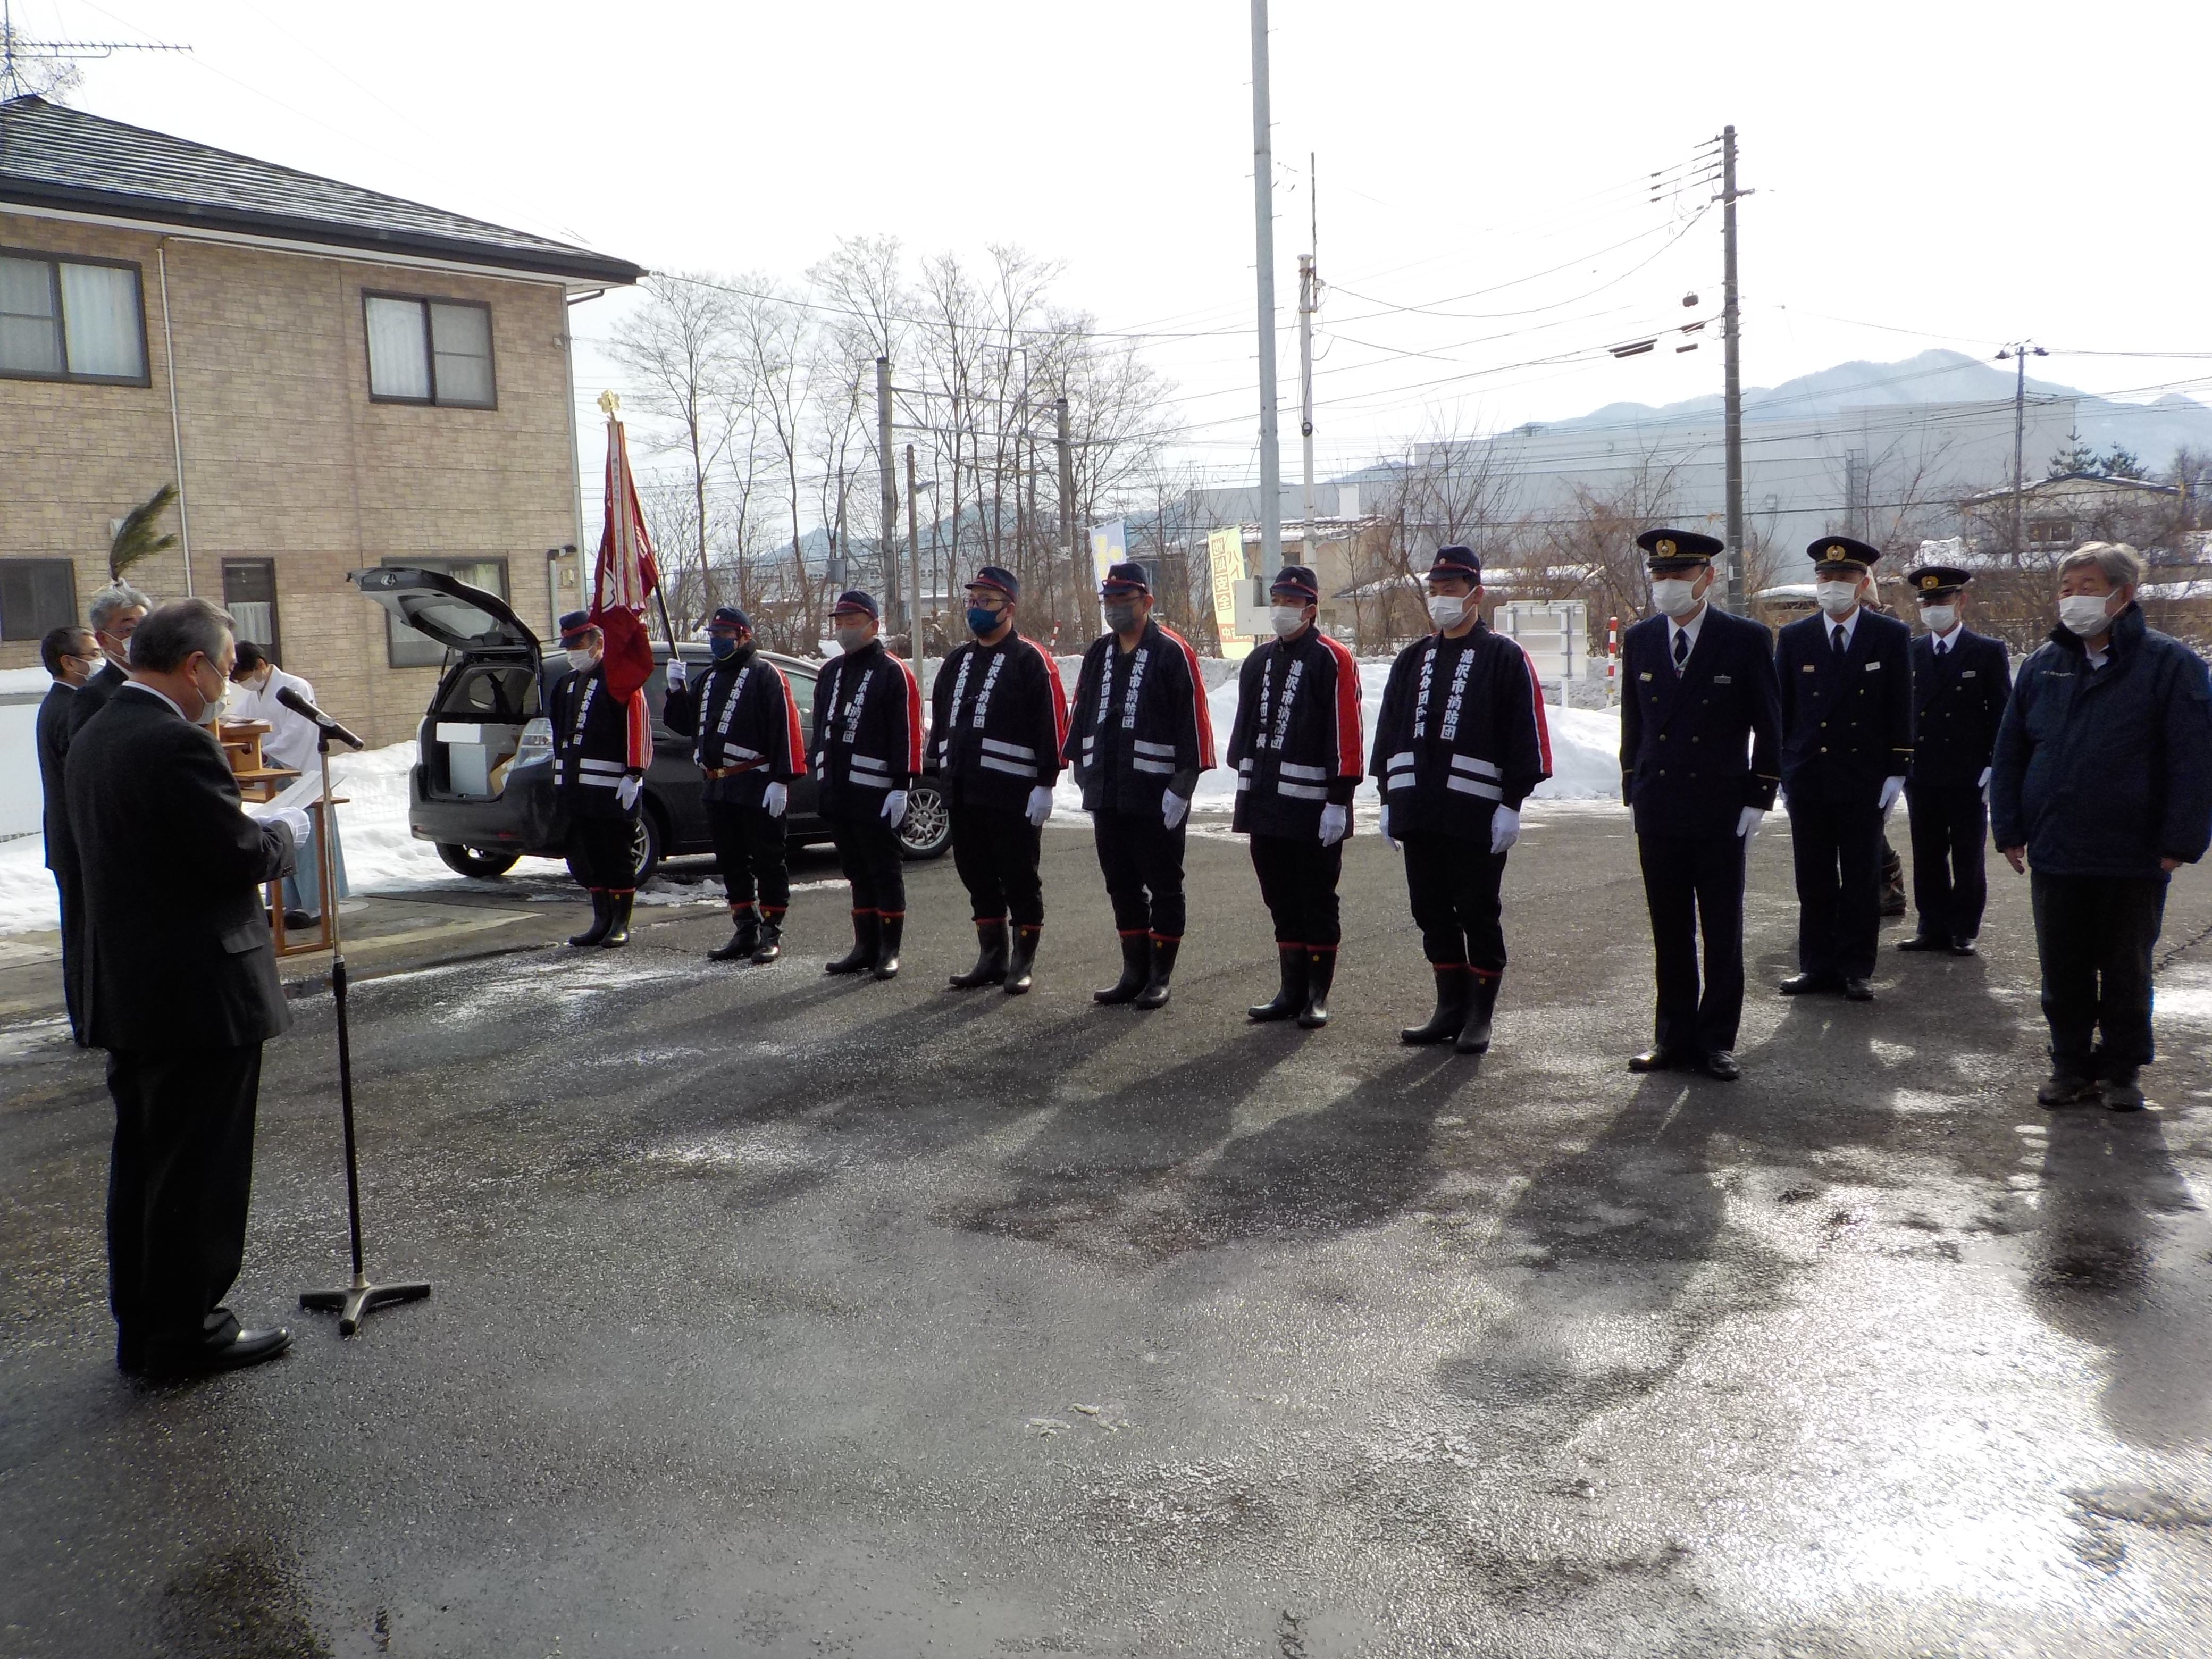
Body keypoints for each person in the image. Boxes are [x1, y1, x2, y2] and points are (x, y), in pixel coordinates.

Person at [65, 598, 298, 1376]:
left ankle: (146, 1324)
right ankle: (189, 1330)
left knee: (148, 1164)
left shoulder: (99, 729)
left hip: (134, 986)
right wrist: (283, 835)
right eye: (225, 669)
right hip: (198, 990)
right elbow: (232, 854)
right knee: (198, 1170)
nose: (226, 684)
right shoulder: (173, 741)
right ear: (195, 666)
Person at [1990, 542, 2212, 1112]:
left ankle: (2121, 1069)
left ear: (2123, 594)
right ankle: (2069, 1066)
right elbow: (2011, 750)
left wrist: (2180, 841)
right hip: (2058, 845)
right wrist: (2009, 827)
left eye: (2086, 587)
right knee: (2062, 966)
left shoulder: (2169, 665)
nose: (2072, 599)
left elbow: (2193, 759)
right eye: (2065, 589)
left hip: (2132, 850)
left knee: (2125, 968)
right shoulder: (2044, 664)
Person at [1371, 545, 1553, 1055]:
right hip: (1418, 809)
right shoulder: (1413, 658)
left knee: (1477, 911)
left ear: (1476, 594)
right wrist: (1386, 797)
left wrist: (1512, 804)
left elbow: (1526, 735)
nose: (1441, 599)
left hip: (1476, 814)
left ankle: (1480, 1015)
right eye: (1434, 590)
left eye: (1450, 589)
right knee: (1430, 910)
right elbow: (1388, 731)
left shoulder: (1504, 656)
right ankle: (1449, 1008)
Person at [1618, 530, 1782, 1080]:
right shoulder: (1641, 638)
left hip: (1719, 806)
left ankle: (1715, 1040)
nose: (1666, 583)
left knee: (1720, 928)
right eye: (1659, 574)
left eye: (1678, 574)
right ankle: (1671, 1037)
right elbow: (1633, 722)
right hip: (1659, 804)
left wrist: (1759, 794)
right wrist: (1632, 786)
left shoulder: (1744, 638)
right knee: (1668, 928)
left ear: (1707, 577)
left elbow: (1769, 724)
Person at [1062, 560, 1216, 1010]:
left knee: (1164, 884)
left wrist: (1183, 786)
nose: (1114, 608)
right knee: (1121, 883)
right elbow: (1082, 710)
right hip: (1108, 790)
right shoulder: (1099, 653)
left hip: (1156, 794)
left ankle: (1160, 975)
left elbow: (1193, 722)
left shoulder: (1172, 651)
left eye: (1123, 600)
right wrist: (1080, 767)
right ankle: (1133, 971)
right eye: (1108, 600)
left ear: (1146, 602)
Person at [1774, 537, 1914, 1002]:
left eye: (1844, 576)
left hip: (1863, 776)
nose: (1833, 585)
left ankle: (1856, 967)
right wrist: (1781, 768)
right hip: (1809, 774)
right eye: (1825, 576)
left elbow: (1901, 704)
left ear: (1862, 581)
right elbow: (1782, 709)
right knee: (1813, 878)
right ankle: (1815, 965)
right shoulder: (1795, 637)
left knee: (1860, 877)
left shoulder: (1888, 635)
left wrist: (1898, 768)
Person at [1226, 564, 1364, 1029]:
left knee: (1316, 898)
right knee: (1280, 897)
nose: (1282, 610)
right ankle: (1290, 990)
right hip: (1264, 802)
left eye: (1292, 602)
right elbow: (1244, 731)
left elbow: (1346, 731)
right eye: (1277, 601)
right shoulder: (1258, 661)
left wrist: (1339, 800)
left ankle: (1317, 995)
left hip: (1313, 807)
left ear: (1311, 608)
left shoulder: (1332, 658)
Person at [928, 567, 1069, 995]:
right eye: (972, 601)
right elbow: (942, 723)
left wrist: (1046, 782)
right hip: (963, 789)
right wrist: (939, 770)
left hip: (1013, 795)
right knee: (976, 875)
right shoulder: (957, 661)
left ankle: (1022, 962)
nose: (977, 609)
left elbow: (1051, 724)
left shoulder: (1030, 659)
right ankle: (992, 958)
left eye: (986, 602)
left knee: (1019, 877)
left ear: (1009, 608)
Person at [660, 606, 805, 964]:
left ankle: (771, 930)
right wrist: (676, 690)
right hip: (717, 785)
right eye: (714, 635)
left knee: (769, 859)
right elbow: (684, 724)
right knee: (731, 860)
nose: (718, 641)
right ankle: (745, 928)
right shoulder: (708, 679)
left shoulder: (766, 675)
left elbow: (785, 727)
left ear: (744, 636)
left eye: (725, 635)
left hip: (756, 782)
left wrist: (782, 780)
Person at [1898, 564, 2010, 957]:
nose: (1934, 609)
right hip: (1923, 770)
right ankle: (1931, 925)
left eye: (1942, 600)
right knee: (1927, 852)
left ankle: (1964, 927)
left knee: (1967, 854)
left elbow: (2001, 712)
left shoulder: (1986, 651)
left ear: (1961, 602)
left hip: (1968, 771)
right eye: (1927, 602)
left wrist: (1995, 764)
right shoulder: (1911, 651)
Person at [811, 590, 924, 980]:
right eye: (840, 623)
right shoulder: (830, 672)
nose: (844, 629)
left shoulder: (892, 671)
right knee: (856, 871)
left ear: (874, 626)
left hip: (876, 793)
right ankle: (864, 946)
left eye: (853, 622)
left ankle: (889, 949)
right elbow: (821, 731)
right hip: (838, 790)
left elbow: (907, 732)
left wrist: (902, 786)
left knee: (884, 870)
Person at [226, 642, 345, 930]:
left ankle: (316, 905)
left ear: (260, 664)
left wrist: (266, 754)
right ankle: (288, 903)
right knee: (281, 834)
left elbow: (300, 732)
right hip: (274, 772)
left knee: (311, 839)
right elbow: (242, 723)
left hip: (298, 772)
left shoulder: (296, 687)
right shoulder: (254, 696)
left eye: (243, 677)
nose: (243, 684)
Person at [549, 610, 650, 949]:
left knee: (617, 854)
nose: (573, 652)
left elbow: (637, 724)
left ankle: (621, 922)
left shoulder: (618, 678)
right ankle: (601, 920)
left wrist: (634, 773)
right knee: (587, 855)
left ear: (597, 641)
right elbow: (558, 733)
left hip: (612, 787)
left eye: (578, 644)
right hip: (577, 788)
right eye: (569, 646)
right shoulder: (566, 684)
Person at [35, 625, 97, 1042]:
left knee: (82, 933)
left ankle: (89, 1020)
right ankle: (89, 1023)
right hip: (76, 842)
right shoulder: (69, 707)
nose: (99, 660)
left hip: (67, 839)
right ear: (69, 663)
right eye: (92, 654)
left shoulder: (60, 704)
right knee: (82, 935)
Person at [63, 581, 150, 740]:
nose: (141, 636)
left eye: (146, 626)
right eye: (128, 630)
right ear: (103, 639)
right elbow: (85, 751)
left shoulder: (166, 681)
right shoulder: (93, 695)